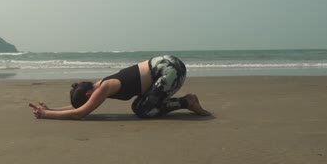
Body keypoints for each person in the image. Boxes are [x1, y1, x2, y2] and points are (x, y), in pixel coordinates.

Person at [29, 55, 211, 120]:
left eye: (89, 99)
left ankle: (188, 101)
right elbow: (80, 107)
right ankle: (186, 101)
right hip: (165, 64)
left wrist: (47, 115)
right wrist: (52, 108)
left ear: (89, 93)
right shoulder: (99, 85)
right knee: (139, 106)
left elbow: (80, 113)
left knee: (143, 110)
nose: (92, 104)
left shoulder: (104, 87)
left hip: (169, 70)